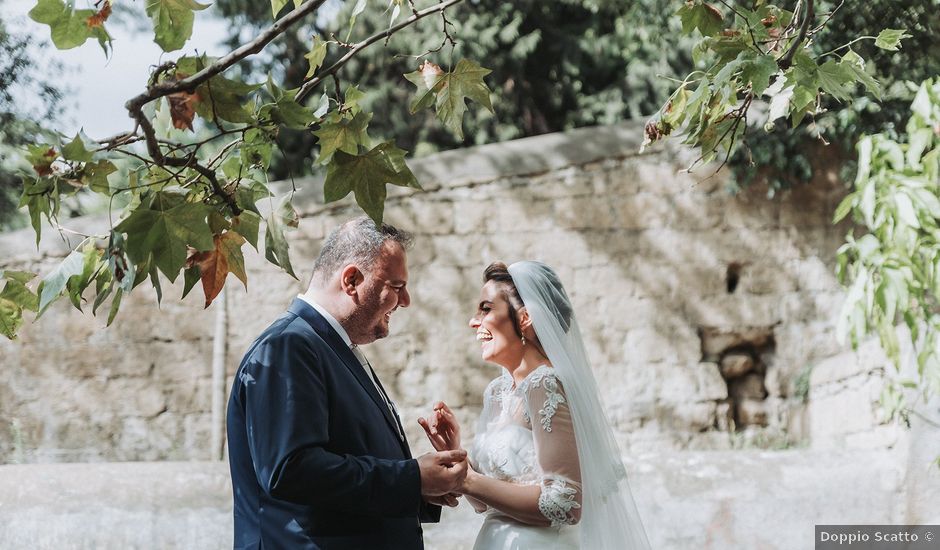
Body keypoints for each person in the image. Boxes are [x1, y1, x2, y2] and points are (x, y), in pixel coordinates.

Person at [227, 216, 468, 550]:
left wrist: (427, 486)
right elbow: (291, 470)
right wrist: (412, 479)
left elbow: (350, 460)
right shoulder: (288, 347)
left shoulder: (330, 346)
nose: (407, 300)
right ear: (352, 279)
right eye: (396, 287)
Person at [419, 261, 651, 550]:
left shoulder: (546, 384)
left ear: (525, 317)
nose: (473, 321)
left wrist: (467, 480)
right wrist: (456, 457)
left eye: (486, 308)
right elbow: (482, 504)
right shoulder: (498, 392)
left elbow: (565, 503)